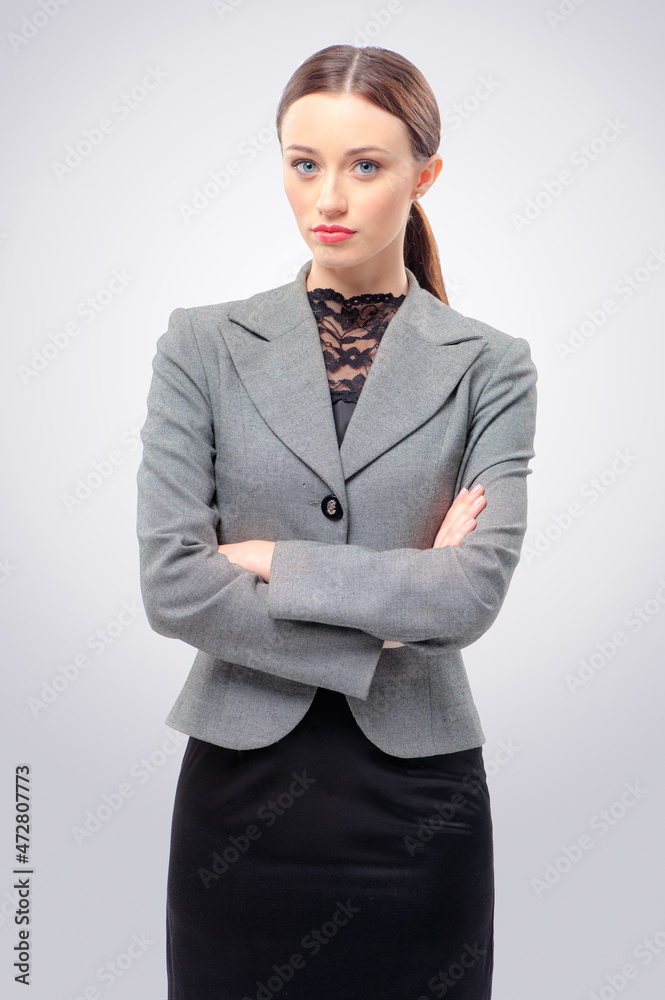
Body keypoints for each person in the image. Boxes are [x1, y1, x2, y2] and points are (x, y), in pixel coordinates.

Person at [136, 43, 537, 1000]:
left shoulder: (493, 363)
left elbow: (471, 594)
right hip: (238, 802)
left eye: (366, 165)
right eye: (303, 162)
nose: (330, 195)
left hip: (419, 803)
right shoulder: (201, 344)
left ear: (423, 174)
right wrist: (394, 617)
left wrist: (271, 556)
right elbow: (173, 582)